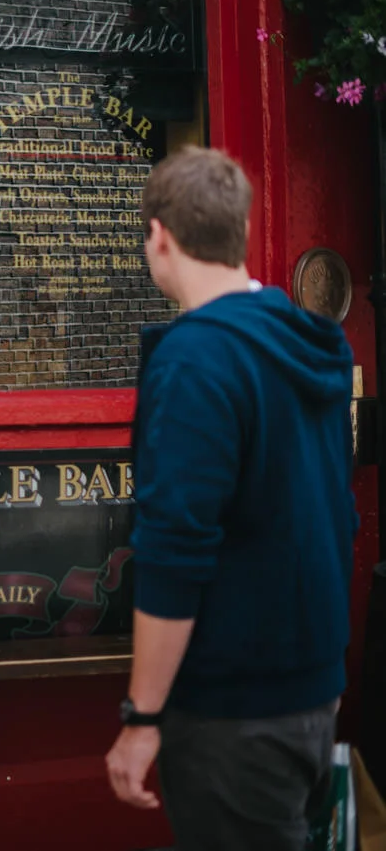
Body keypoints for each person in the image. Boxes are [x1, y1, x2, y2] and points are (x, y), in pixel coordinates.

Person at [104, 147, 357, 851]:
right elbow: (338, 512)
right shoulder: (304, 340)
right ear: (237, 231)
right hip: (308, 695)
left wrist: (141, 717)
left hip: (231, 708)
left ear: (158, 235)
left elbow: (174, 549)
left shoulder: (195, 359)